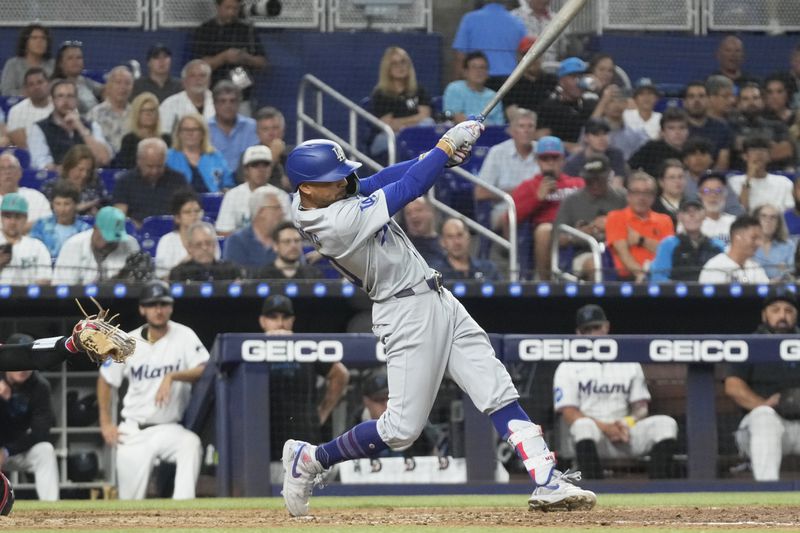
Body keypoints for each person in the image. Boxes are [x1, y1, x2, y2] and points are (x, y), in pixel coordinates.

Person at [280, 124, 596, 517]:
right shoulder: (331, 223)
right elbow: (406, 190)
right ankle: (311, 459)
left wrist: (437, 159)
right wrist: (443, 148)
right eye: (333, 179)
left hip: (435, 296)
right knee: (400, 430)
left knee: (495, 385)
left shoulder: (324, 195)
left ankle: (547, 479)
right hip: (404, 309)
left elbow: (378, 179)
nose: (345, 181)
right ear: (307, 188)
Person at [97, 280, 208, 499]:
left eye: (163, 304)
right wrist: (105, 421)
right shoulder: (127, 341)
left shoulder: (185, 335)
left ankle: (183, 513)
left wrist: (173, 376)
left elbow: (205, 369)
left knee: (190, 444)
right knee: (129, 504)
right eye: (152, 304)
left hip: (169, 428)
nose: (158, 310)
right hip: (134, 430)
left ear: (171, 307)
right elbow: (106, 378)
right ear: (142, 309)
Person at [554, 305, 679, 480]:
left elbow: (641, 408)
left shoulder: (627, 361)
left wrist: (626, 422)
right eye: (586, 330)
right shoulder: (567, 366)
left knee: (666, 424)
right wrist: (606, 427)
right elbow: (569, 412)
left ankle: (657, 490)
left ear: (606, 327)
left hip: (623, 434)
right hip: (592, 437)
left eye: (596, 328)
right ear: (578, 333)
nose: (592, 334)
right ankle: (594, 489)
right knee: (583, 426)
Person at [259, 295, 349, 481]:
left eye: (285, 317)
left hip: (305, 446)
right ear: (263, 321)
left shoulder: (306, 347)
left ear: (292, 321)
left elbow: (340, 374)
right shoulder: (252, 349)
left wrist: (323, 412)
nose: (280, 323)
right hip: (265, 452)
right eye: (273, 317)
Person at [722, 289, 800, 481]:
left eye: (788, 310)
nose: (782, 315)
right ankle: (768, 494)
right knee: (764, 417)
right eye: (776, 310)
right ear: (764, 314)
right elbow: (733, 385)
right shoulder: (750, 343)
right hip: (758, 428)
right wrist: (764, 404)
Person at [507, 136, 585, 280]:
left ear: (563, 160)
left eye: (554, 158)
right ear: (537, 161)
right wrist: (537, 199)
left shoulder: (577, 183)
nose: (550, 163)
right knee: (544, 231)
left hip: (576, 230)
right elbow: (510, 219)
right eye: (545, 159)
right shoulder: (529, 186)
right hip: (548, 234)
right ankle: (546, 281)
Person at [0, 335, 59, 501]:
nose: (23, 367)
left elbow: (41, 432)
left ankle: (51, 510)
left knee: (45, 450)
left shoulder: (40, 387)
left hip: (18, 449)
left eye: (27, 359)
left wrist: (6, 451)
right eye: (18, 360)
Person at [553, 154, 626, 279]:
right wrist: (580, 234)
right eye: (590, 180)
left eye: (599, 179)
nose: (595, 184)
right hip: (585, 253)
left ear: (608, 176)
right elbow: (557, 239)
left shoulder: (622, 198)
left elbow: (636, 225)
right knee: (596, 264)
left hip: (621, 250)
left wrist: (611, 223)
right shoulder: (572, 201)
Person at [191, 0, 268, 114]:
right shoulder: (205, 31)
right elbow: (199, 66)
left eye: (235, 9)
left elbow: (263, 63)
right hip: (212, 97)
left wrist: (245, 58)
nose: (231, 12)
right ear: (217, 6)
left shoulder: (246, 31)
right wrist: (224, 57)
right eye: (227, 8)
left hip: (241, 97)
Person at [475, 109, 539, 230]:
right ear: (511, 131)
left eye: (530, 126)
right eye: (521, 126)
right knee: (515, 218)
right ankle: (513, 249)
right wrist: (520, 194)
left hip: (538, 208)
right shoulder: (497, 153)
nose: (526, 130)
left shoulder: (542, 152)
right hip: (505, 210)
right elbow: (480, 193)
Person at [605, 171, 675, 282]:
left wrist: (640, 240)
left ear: (653, 197)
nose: (641, 198)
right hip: (628, 279)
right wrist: (641, 274)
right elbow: (623, 252)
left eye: (647, 193)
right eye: (636, 192)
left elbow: (667, 252)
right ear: (628, 195)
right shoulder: (616, 217)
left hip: (660, 278)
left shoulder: (665, 220)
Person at [28, 79, 112, 170]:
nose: (65, 101)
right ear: (52, 100)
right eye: (60, 96)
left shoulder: (91, 125)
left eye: (70, 96)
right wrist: (73, 172)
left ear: (76, 100)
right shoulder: (39, 128)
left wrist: (81, 128)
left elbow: (104, 159)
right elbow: (43, 165)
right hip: (55, 181)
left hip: (89, 180)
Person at [368, 46, 432, 158]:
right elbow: (387, 125)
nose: (400, 67)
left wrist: (402, 125)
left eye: (403, 62)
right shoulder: (381, 94)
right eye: (394, 63)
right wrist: (414, 121)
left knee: (428, 123)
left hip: (414, 134)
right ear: (387, 68)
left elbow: (425, 116)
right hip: (388, 137)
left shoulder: (419, 90)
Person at [52, 206, 140, 284]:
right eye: (108, 237)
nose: (111, 241)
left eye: (116, 237)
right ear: (95, 229)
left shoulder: (130, 244)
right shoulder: (73, 245)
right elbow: (61, 285)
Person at [215, 145, 289, 236]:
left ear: (270, 169)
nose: (261, 170)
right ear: (246, 170)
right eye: (255, 165)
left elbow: (289, 231)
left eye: (265, 165)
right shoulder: (232, 195)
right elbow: (223, 232)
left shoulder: (281, 196)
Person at [113, 138, 190, 226]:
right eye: (150, 166)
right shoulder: (124, 181)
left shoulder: (178, 180)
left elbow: (188, 211)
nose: (154, 171)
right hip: (138, 232)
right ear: (139, 161)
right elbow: (120, 216)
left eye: (159, 166)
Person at [451, 1, 527, 90]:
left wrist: (455, 84)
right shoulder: (518, 22)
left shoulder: (469, 19)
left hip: (478, 81)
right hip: (509, 82)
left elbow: (460, 56)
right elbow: (524, 54)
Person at [649, 199, 724, 282]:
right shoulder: (668, 244)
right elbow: (658, 277)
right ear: (679, 216)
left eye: (696, 210)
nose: (692, 215)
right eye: (686, 211)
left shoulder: (718, 246)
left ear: (704, 215)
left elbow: (726, 274)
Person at [729, 83, 795, 172]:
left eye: (755, 98)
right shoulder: (731, 127)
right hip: (741, 175)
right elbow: (734, 149)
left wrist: (748, 148)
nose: (751, 103)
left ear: (763, 101)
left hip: (774, 175)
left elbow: (786, 151)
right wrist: (769, 146)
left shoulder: (778, 126)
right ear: (739, 103)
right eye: (745, 99)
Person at [155, 189, 220, 278]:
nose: (194, 216)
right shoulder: (167, 241)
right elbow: (161, 276)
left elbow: (215, 267)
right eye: (187, 212)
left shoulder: (209, 236)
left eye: (197, 211)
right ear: (177, 218)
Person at [536, 57, 597, 151]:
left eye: (581, 77)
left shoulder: (590, 104)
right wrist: (569, 147)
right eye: (573, 77)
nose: (578, 82)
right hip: (559, 156)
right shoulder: (550, 107)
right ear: (561, 81)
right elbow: (541, 138)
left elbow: (598, 128)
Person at [166, 113, 234, 194]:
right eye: (186, 129)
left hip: (213, 203)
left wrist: (226, 190)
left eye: (195, 129)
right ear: (179, 133)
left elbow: (228, 183)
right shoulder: (168, 157)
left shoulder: (216, 157)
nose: (190, 133)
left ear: (202, 133)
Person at [222, 187, 285, 271]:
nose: (282, 213)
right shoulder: (236, 241)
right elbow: (234, 277)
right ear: (261, 211)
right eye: (277, 208)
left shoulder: (288, 240)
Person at [727, 136, 794, 213]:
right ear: (745, 156)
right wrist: (748, 179)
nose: (758, 154)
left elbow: (790, 212)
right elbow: (738, 212)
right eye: (753, 150)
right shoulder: (733, 181)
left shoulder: (784, 182)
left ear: (769, 156)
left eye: (763, 150)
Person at [41, 144, 109, 216]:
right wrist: (76, 209)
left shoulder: (95, 185)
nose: (84, 175)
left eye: (88, 171)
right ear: (69, 167)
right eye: (80, 169)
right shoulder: (51, 187)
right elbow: (46, 214)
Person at [698, 214, 769, 283]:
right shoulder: (714, 267)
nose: (759, 243)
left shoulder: (756, 268)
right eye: (754, 238)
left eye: (760, 238)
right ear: (737, 238)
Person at [30, 180, 91, 258]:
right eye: (58, 204)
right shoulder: (40, 226)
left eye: (67, 204)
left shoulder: (85, 230)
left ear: (75, 205)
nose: (62, 209)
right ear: (52, 205)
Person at [0, 193, 52, 285]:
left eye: (17, 217)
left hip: (27, 298)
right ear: (1, 218)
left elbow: (45, 280)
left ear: (25, 219)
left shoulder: (37, 247)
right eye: (8, 217)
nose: (12, 222)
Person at [501, 36, 557, 119]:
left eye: (536, 54)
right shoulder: (510, 83)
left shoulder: (552, 81)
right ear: (519, 57)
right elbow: (511, 114)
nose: (533, 59)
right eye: (527, 54)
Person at [114, 92, 172, 170]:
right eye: (144, 110)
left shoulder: (166, 139)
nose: (148, 114)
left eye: (152, 110)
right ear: (137, 114)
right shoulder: (129, 140)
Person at [442, 52, 504, 126]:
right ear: (465, 72)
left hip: (488, 135)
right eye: (474, 67)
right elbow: (455, 117)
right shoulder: (454, 88)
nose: (479, 71)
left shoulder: (494, 96)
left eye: (482, 67)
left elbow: (499, 125)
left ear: (487, 73)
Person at [208, 81, 258, 172]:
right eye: (223, 101)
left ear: (239, 103)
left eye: (233, 101)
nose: (228, 105)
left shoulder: (252, 127)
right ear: (214, 104)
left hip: (246, 180)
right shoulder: (205, 128)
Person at [429, 217, 500, 281]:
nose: (456, 242)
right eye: (450, 237)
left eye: (460, 235)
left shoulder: (488, 269)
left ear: (469, 237)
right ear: (442, 242)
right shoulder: (434, 273)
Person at [683, 81, 733, 171]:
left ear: (708, 100)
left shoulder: (721, 128)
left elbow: (722, 163)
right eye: (691, 96)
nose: (697, 101)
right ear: (685, 102)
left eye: (701, 96)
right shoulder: (677, 128)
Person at [628, 107, 690, 178]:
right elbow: (630, 166)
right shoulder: (651, 148)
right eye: (671, 128)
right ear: (662, 132)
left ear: (688, 131)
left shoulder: (692, 151)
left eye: (682, 127)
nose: (677, 132)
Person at [168, 221, 241, 281]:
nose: (205, 248)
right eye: (198, 245)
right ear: (189, 248)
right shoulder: (179, 273)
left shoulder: (230, 270)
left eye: (208, 243)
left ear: (214, 245)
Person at [563, 117, 628, 184]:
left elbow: (617, 186)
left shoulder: (616, 155)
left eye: (605, 133)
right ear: (586, 138)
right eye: (596, 134)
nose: (602, 138)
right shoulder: (573, 164)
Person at [86, 66, 134, 155]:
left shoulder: (136, 114)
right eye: (118, 82)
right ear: (108, 86)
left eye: (127, 83)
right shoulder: (94, 114)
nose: (123, 87)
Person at [159, 60, 215, 135]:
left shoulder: (220, 102)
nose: (198, 79)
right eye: (192, 76)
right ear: (184, 81)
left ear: (209, 80)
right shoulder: (169, 104)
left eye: (202, 75)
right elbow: (164, 134)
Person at [0, 152, 52, 230]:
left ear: (20, 173)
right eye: (2, 168)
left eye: (11, 168)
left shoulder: (36, 197)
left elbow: (47, 223)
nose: (7, 172)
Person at [253, 222, 321, 280]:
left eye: (297, 241)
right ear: (275, 246)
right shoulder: (261, 276)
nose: (293, 245)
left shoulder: (313, 275)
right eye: (287, 241)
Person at [6, 67, 53, 149]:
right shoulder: (16, 111)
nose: (36, 87)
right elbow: (22, 145)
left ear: (48, 84)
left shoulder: (62, 106)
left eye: (40, 82)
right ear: (26, 89)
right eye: (31, 84)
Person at [1, 24, 54, 97]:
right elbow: (6, 91)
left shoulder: (53, 65)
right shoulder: (13, 64)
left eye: (43, 38)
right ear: (25, 42)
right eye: (34, 38)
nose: (39, 41)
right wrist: (29, 93)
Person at [50, 41, 102, 115]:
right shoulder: (56, 86)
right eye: (70, 58)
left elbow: (105, 90)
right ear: (60, 63)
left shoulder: (84, 80)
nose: (75, 61)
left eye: (79, 57)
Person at [510, 0, 562, 65]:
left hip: (551, 69)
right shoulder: (514, 17)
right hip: (523, 68)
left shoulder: (558, 19)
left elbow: (563, 50)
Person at [752, 204, 796, 281]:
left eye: (773, 217)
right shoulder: (749, 245)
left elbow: (792, 273)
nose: (768, 220)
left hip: (781, 289)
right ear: (756, 220)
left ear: (778, 223)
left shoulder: (789, 246)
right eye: (763, 216)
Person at [254, 106, 290, 191]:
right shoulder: (250, 156)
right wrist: (273, 155)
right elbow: (250, 185)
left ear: (283, 130)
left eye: (275, 128)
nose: (271, 133)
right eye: (265, 129)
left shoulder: (295, 155)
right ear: (258, 133)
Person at [401, 197, 446, 266]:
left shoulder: (446, 244)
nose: (413, 216)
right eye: (408, 213)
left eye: (418, 210)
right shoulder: (403, 246)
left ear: (431, 212)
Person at [696, 172, 737, 245]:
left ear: (725, 194)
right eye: (707, 191)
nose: (713, 195)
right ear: (699, 195)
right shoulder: (691, 222)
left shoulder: (734, 222)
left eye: (718, 191)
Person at [650, 159, 687, 226]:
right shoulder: (653, 207)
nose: (677, 181)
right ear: (661, 182)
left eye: (680, 177)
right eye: (672, 177)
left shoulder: (693, 203)